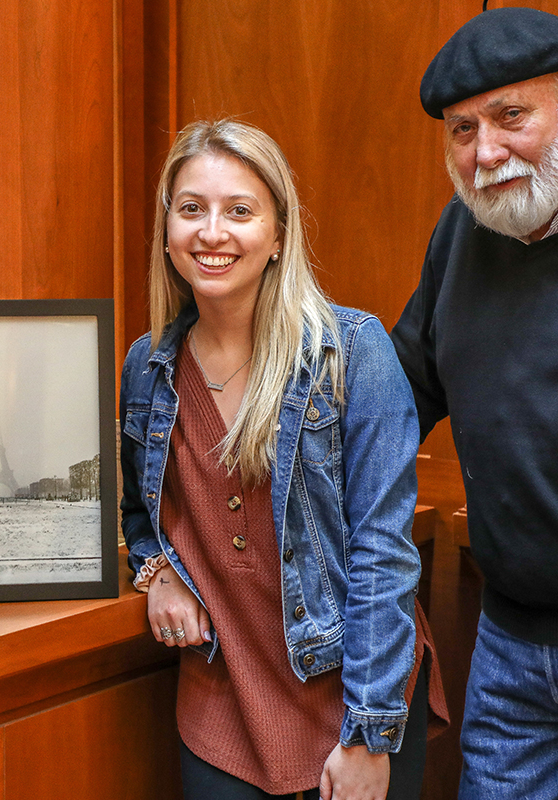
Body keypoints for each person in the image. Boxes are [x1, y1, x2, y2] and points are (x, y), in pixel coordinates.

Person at [120, 118, 447, 800]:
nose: (212, 232)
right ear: (168, 232)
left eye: (240, 211)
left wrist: (367, 734)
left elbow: (383, 554)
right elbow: (138, 508)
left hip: (352, 695)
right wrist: (159, 572)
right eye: (191, 210)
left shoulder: (353, 352)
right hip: (222, 702)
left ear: (277, 235)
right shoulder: (146, 366)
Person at [391, 7, 558, 799]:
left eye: (512, 117)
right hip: (510, 645)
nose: (486, 152)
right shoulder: (462, 233)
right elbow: (398, 393)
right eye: (462, 129)